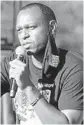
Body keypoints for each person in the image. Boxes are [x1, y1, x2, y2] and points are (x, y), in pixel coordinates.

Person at [1, 3, 83, 124]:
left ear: (52, 27)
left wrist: (28, 87)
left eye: (31, 27)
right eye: (19, 30)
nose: (24, 35)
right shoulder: (14, 62)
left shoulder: (74, 67)